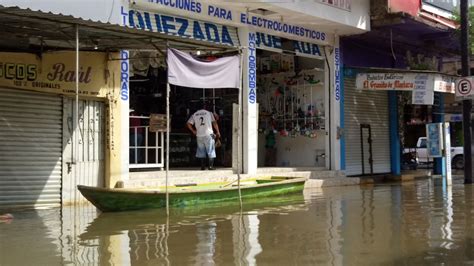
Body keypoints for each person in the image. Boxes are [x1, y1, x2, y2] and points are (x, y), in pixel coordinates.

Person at [187, 104, 221, 170]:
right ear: (205, 107)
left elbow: (188, 123)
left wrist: (193, 131)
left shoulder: (194, 114)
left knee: (201, 151)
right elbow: (214, 123)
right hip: (208, 134)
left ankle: (202, 167)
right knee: (210, 150)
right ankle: (210, 166)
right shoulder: (209, 113)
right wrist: (218, 131)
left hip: (199, 135)